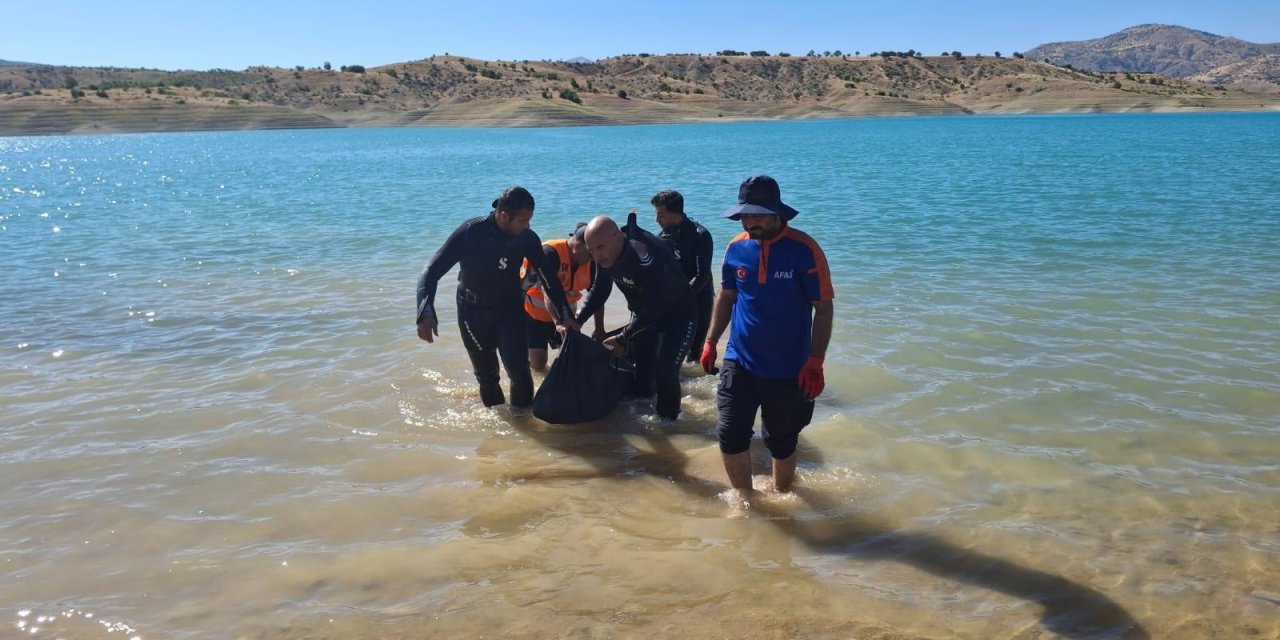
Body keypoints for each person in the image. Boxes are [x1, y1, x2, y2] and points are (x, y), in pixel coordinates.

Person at [700, 175, 834, 498]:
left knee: (782, 442)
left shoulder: (805, 250)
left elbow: (824, 308)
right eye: (745, 214)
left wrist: (815, 361)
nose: (750, 221)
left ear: (777, 213)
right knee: (730, 434)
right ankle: (745, 501)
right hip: (740, 360)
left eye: (758, 214)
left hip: (789, 367)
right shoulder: (736, 248)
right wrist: (710, 341)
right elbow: (726, 298)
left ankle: (782, 496)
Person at [415, 186, 579, 413]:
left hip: (509, 310)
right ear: (504, 216)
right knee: (487, 377)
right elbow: (432, 269)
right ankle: (500, 429)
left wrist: (565, 313)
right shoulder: (471, 232)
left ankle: (522, 427)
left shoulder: (527, 239)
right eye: (523, 220)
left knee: (521, 374)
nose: (528, 226)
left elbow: (548, 277)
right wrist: (425, 310)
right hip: (472, 313)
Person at [576, 212, 696, 421]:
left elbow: (656, 308)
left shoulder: (645, 253)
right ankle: (641, 417)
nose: (596, 255)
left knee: (666, 372)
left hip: (679, 315)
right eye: (591, 250)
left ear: (617, 237)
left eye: (600, 248)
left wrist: (623, 337)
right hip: (644, 315)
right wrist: (576, 321)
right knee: (642, 373)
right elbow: (599, 291)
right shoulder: (603, 254)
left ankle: (670, 425)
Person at [521, 223, 607, 372]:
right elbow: (549, 291)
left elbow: (598, 296)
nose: (592, 258)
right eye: (589, 254)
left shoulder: (591, 262)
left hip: (567, 318)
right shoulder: (550, 253)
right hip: (534, 316)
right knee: (538, 365)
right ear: (577, 246)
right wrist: (557, 322)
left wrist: (599, 328)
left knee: (572, 360)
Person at [652, 190, 715, 365]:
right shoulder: (661, 238)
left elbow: (701, 276)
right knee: (670, 346)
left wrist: (677, 299)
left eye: (661, 215)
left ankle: (696, 388)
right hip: (675, 299)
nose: (657, 220)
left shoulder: (700, 236)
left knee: (695, 350)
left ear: (675, 213)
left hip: (700, 297)